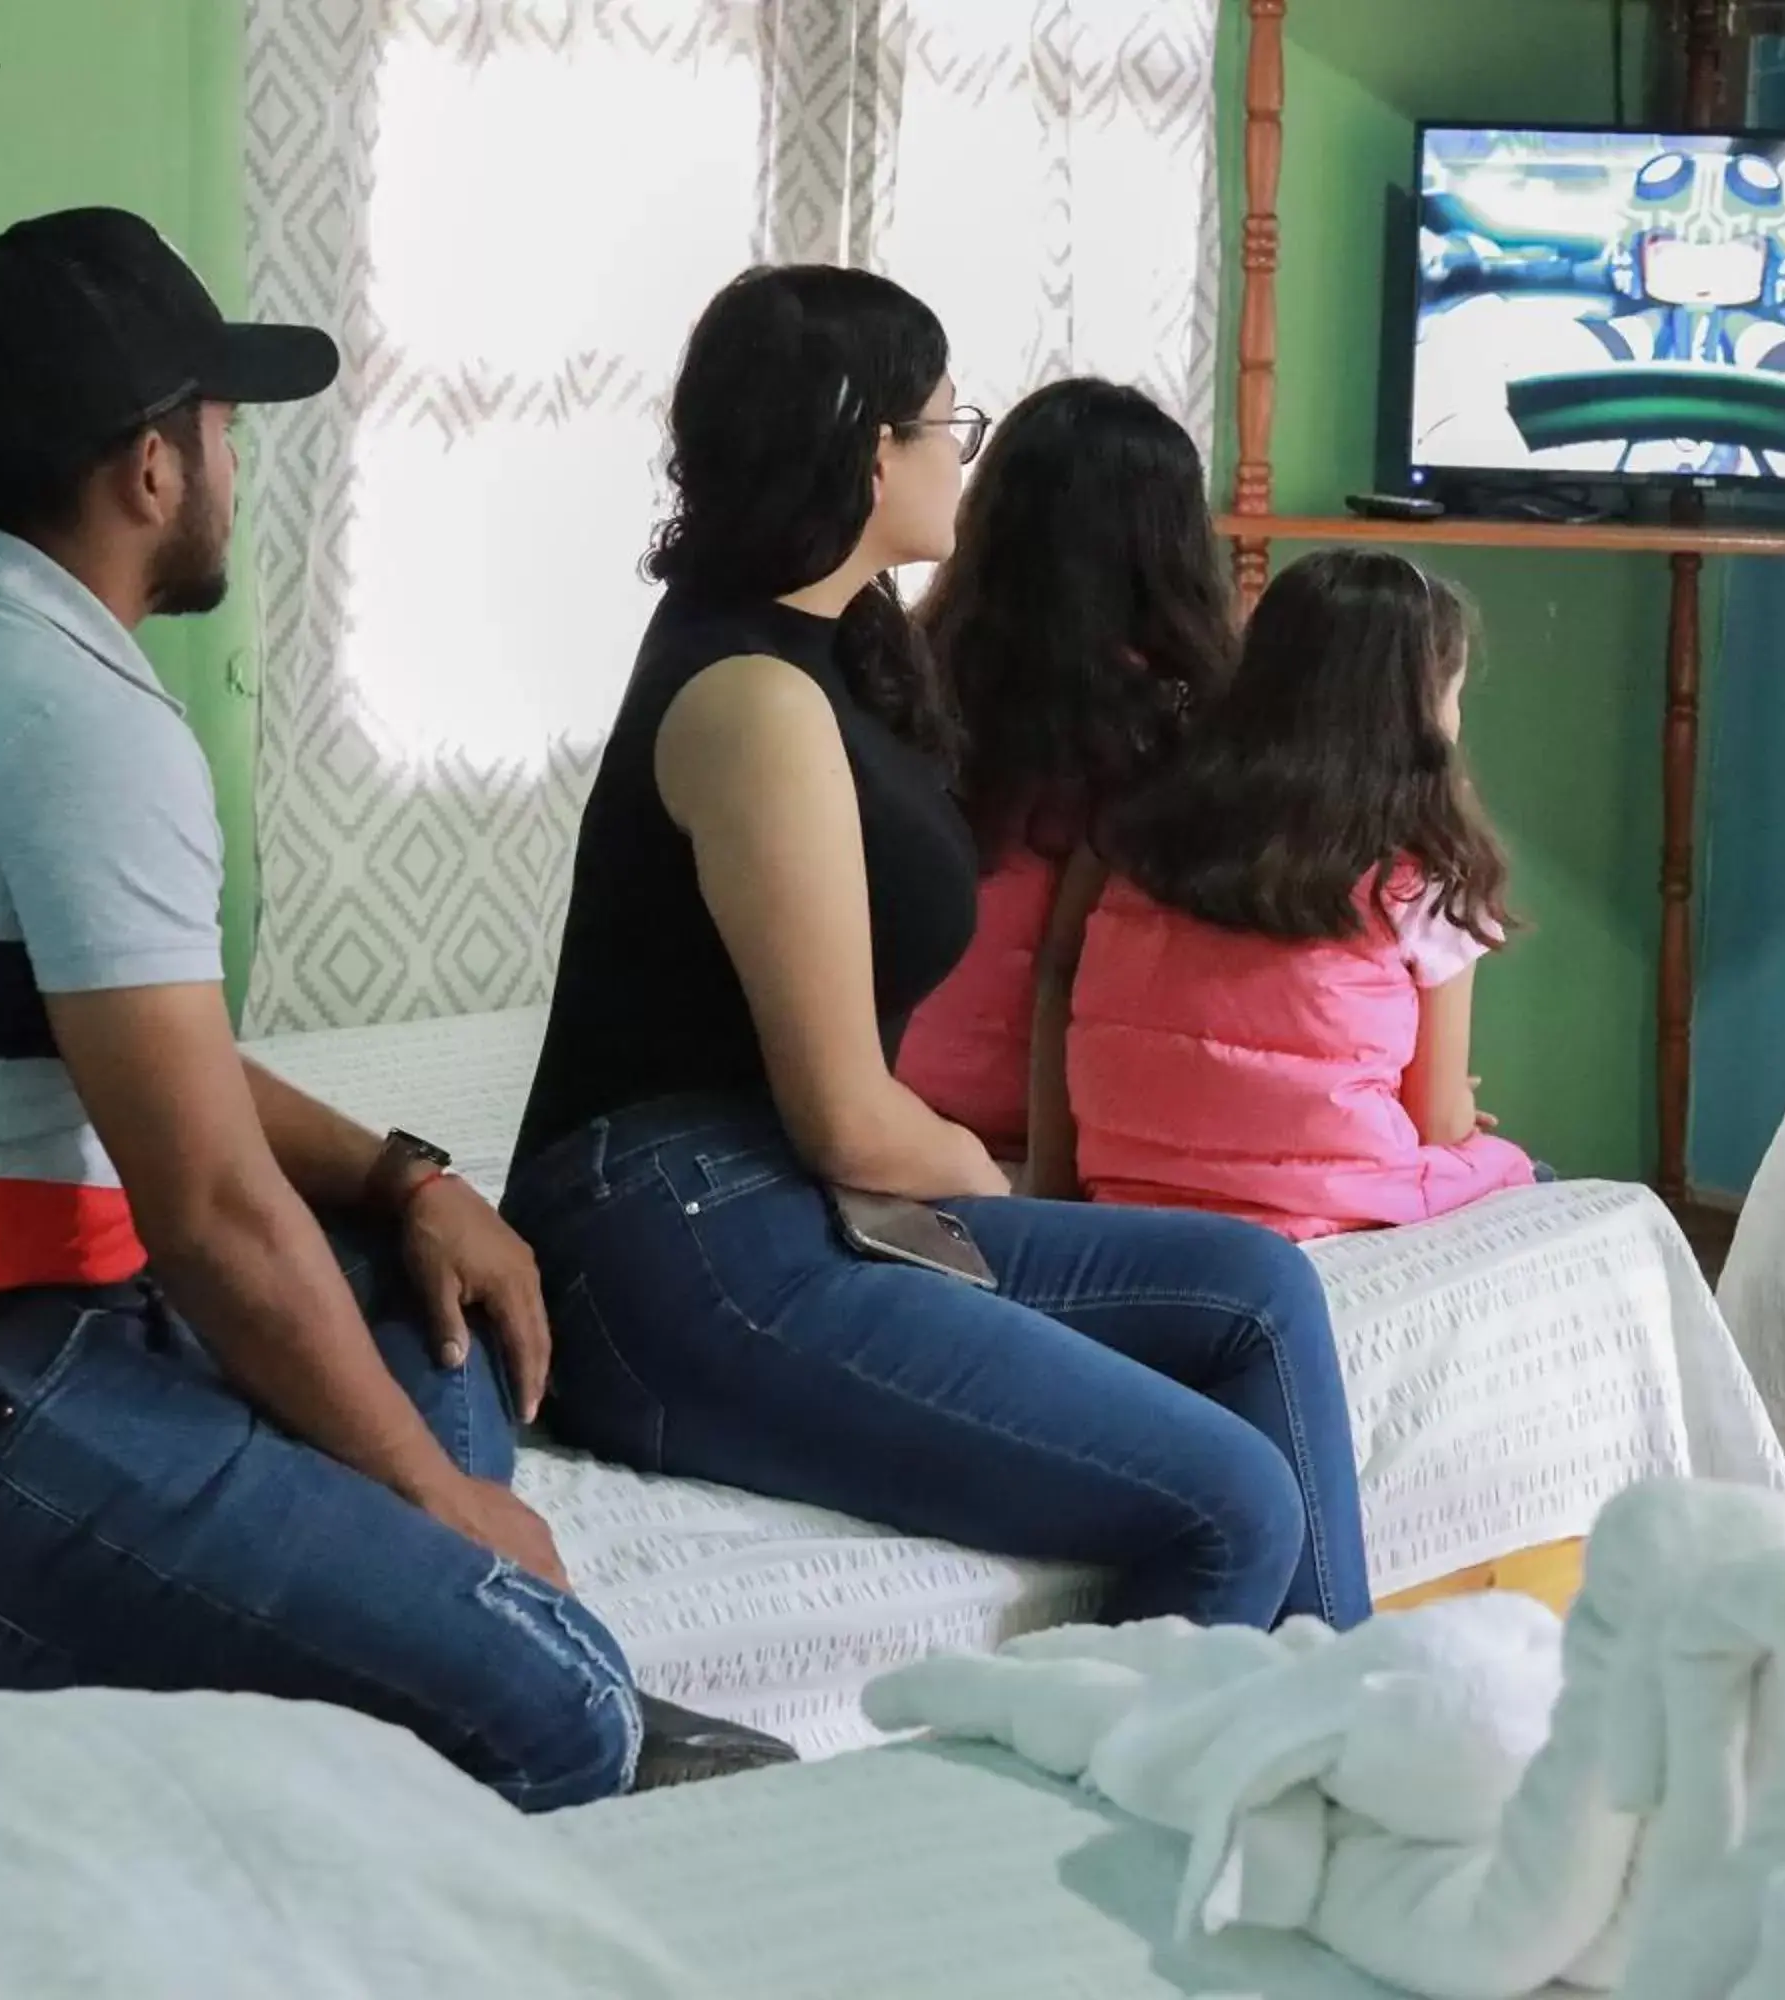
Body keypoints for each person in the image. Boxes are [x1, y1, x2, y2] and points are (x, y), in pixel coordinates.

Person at [0, 208, 786, 1808]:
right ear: (150, 470)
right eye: (219, 428)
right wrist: (437, 1502)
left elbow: (164, 1063)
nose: (232, 464)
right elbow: (209, 1210)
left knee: (441, 1309)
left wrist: (407, 1177)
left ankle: (381, 1616)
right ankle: (466, 1657)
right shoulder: (75, 731)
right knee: (558, 1704)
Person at [503, 266, 1371, 1633]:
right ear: (869, 452)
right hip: (674, 1245)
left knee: (1260, 1288)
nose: (964, 443)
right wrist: (984, 1190)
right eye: (942, 424)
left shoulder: (835, 648)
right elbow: (847, 1115)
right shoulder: (750, 699)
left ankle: (1330, 1751)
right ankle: (1152, 1810)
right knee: (1235, 1501)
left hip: (762, 1204)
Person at [1070, 549, 1540, 1240]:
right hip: (1322, 1212)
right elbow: (1438, 1121)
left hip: (1128, 1193)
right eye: (1455, 694)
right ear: (1418, 714)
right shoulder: (1422, 872)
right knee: (1523, 1171)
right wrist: (1459, 1121)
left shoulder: (1144, 839)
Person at [895, 378, 1235, 1189]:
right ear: (1172, 542)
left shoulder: (904, 676)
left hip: (896, 1089)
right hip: (1073, 1117)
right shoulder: (1179, 721)